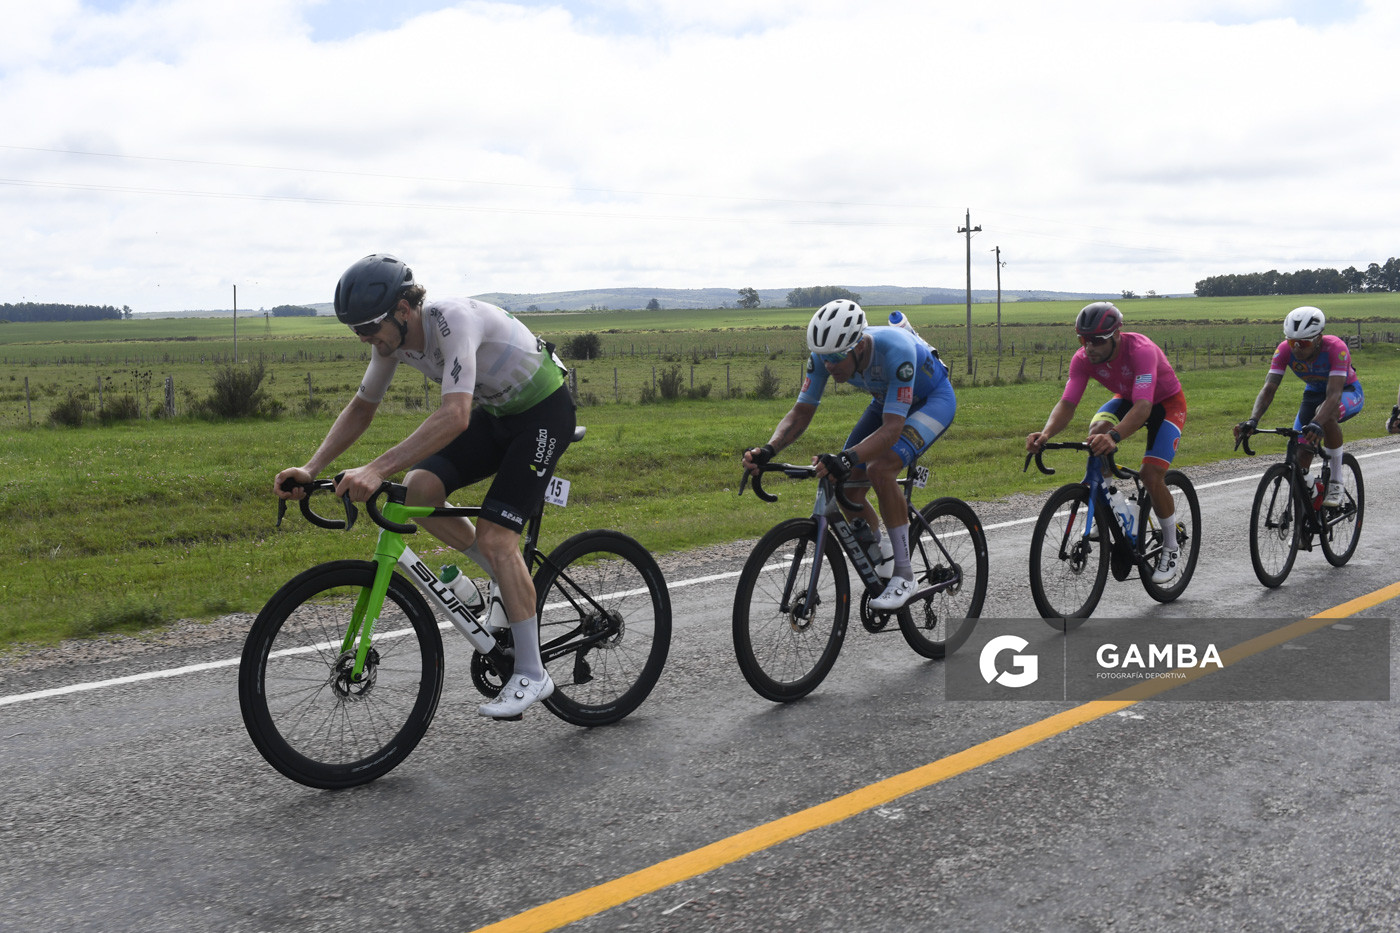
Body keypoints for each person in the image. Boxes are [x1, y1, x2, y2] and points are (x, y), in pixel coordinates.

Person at [274, 254, 575, 719]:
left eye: (369, 327)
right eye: (355, 331)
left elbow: (454, 415)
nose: (365, 339)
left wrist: (374, 470)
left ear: (403, 308)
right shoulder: (389, 344)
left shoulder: (453, 321)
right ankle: (499, 573)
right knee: (418, 491)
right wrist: (312, 468)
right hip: (498, 415)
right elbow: (361, 408)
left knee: (499, 538)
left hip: (543, 413)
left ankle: (533, 673)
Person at [741, 299, 956, 611]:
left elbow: (893, 429)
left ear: (858, 346)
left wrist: (845, 457)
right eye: (824, 357)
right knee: (846, 485)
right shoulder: (825, 357)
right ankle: (883, 550)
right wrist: (768, 449)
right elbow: (801, 413)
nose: (830, 365)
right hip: (887, 399)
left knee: (880, 469)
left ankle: (905, 574)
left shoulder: (896, 352)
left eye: (837, 357)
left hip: (932, 400)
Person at [1025, 301, 1187, 584]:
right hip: (1127, 398)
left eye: (1097, 340)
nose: (1090, 347)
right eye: (1083, 339)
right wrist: (1046, 433)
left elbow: (1144, 407)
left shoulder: (1141, 350)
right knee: (1095, 432)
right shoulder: (1082, 359)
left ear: (1116, 334)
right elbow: (1067, 403)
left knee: (1150, 475)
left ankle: (1171, 547)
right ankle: (1110, 498)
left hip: (1165, 404)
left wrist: (1114, 437)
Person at [1233, 306, 1363, 506]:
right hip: (1313, 394)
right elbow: (1269, 389)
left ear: (1318, 338)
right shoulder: (1284, 350)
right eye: (1292, 341)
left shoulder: (1336, 348)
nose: (1296, 348)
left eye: (1303, 342)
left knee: (1324, 416)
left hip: (1346, 392)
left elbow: (1334, 394)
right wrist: (1253, 419)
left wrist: (1317, 423)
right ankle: (1311, 502)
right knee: (1299, 454)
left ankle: (1336, 481)